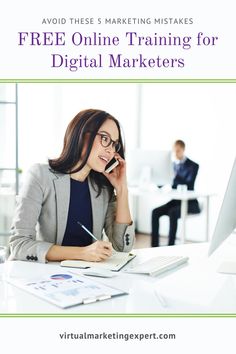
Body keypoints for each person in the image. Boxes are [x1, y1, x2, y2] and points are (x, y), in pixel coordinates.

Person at [9, 109, 135, 263]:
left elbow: (122, 246)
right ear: (81, 135)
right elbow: (19, 244)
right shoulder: (40, 176)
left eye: (115, 144)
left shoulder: (103, 188)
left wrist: (122, 189)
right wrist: (82, 253)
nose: (110, 149)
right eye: (104, 138)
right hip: (45, 275)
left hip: (88, 277)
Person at [151, 140, 200, 247]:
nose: (175, 154)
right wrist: (157, 175)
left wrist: (173, 176)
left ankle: (170, 245)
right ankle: (154, 246)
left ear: (183, 150)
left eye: (178, 151)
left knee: (173, 213)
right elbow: (163, 183)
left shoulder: (193, 166)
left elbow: (188, 184)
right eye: (174, 151)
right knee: (155, 212)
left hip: (190, 203)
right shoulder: (172, 165)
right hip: (176, 201)